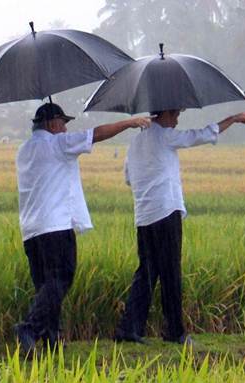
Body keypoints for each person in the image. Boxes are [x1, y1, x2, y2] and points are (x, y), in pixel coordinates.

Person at [14, 102, 151, 354]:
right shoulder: (58, 144)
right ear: (52, 123)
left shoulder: (24, 150)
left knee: (45, 285)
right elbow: (96, 134)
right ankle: (29, 328)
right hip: (55, 225)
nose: (66, 128)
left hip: (31, 230)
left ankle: (51, 337)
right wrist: (129, 122)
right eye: (64, 123)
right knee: (60, 278)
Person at [115, 108, 245, 345]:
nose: (178, 118)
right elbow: (199, 135)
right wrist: (232, 118)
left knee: (146, 272)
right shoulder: (166, 136)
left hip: (144, 214)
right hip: (166, 211)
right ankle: (175, 332)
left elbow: (129, 178)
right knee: (170, 272)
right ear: (165, 113)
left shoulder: (136, 141)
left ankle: (129, 328)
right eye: (176, 113)